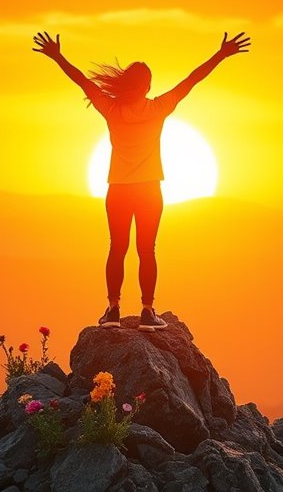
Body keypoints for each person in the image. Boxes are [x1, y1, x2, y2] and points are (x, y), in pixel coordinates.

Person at [32, 30, 251, 331]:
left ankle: (113, 310)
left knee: (117, 247)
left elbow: (82, 80)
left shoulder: (111, 109)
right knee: (147, 250)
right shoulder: (158, 108)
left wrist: (57, 56)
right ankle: (148, 312)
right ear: (147, 86)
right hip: (149, 190)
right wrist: (221, 54)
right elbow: (192, 80)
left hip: (118, 190)